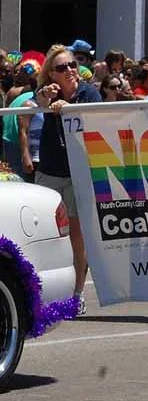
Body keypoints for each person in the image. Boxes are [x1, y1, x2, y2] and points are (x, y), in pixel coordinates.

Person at [34, 45, 104, 315]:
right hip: (49, 171)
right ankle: (42, 293)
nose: (70, 70)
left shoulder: (89, 93)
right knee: (46, 235)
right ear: (52, 73)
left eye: (73, 65)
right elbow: (37, 105)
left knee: (77, 236)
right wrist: (45, 99)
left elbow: (94, 121)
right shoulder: (46, 91)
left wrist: (68, 107)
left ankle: (77, 294)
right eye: (62, 68)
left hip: (78, 172)